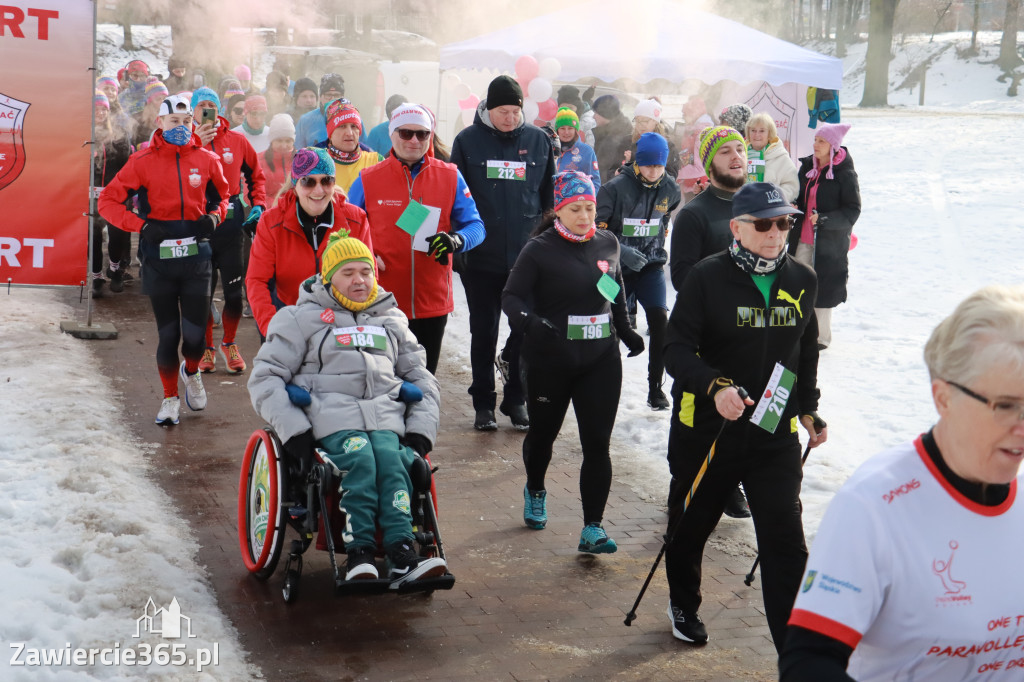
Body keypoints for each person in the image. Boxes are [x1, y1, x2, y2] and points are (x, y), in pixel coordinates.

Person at [780, 285, 1024, 681]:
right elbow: (807, 662)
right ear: (944, 397)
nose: (1021, 426)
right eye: (1006, 406)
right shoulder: (874, 504)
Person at [662, 181, 826, 650]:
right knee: (692, 525)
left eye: (784, 223)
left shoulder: (802, 279)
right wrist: (714, 387)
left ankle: (795, 655)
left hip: (772, 431)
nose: (776, 233)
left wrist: (809, 407)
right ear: (737, 227)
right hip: (710, 429)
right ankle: (684, 603)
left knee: (785, 541)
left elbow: (805, 349)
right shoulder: (707, 277)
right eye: (764, 224)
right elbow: (675, 349)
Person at [248, 233, 447, 586]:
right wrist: (295, 432)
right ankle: (360, 553)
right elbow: (265, 379)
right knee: (362, 460)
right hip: (331, 419)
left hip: (386, 418)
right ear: (328, 278)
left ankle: (402, 551)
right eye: (348, 272)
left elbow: (423, 379)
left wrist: (419, 433)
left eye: (366, 271)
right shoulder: (298, 319)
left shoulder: (391, 319)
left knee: (393, 460)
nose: (359, 280)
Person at [502, 171, 645, 552]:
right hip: (551, 359)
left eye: (590, 208)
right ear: (559, 211)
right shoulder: (539, 250)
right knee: (543, 435)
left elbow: (614, 289)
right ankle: (535, 488)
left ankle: (593, 528)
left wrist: (626, 328)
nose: (585, 216)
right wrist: (531, 324)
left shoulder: (607, 242)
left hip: (600, 359)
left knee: (597, 444)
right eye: (575, 208)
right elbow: (511, 298)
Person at [98, 95, 230, 425]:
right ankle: (170, 398)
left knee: (197, 337)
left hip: (196, 259)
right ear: (160, 123)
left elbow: (224, 199)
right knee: (169, 335)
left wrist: (213, 219)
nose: (181, 128)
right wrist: (141, 226)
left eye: (186, 123)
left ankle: (191, 371)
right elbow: (108, 202)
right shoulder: (142, 161)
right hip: (159, 260)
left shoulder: (208, 159)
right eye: (174, 122)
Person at [450, 75, 556, 431]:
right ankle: (484, 403)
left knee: (525, 330)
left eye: (515, 111)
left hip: (526, 258)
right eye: (502, 111)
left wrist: (549, 243)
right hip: (482, 256)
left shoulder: (539, 141)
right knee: (484, 331)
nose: (510, 118)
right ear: (487, 109)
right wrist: (458, 243)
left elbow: (547, 200)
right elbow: (455, 197)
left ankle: (516, 397)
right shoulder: (467, 142)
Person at [347, 103, 485, 374]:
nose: (414, 140)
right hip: (381, 301)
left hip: (431, 302)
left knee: (423, 380)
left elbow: (476, 226)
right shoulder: (367, 179)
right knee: (383, 379)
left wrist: (457, 241)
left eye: (422, 134)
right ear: (392, 134)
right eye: (406, 133)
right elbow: (345, 231)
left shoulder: (450, 175)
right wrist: (363, 255)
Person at [670, 125, 752, 518]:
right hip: (705, 339)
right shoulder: (695, 214)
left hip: (751, 334)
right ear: (708, 160)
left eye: (740, 149)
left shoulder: (759, 210)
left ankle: (732, 481)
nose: (736, 156)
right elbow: (681, 278)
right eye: (725, 152)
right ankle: (684, 487)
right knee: (696, 418)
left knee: (743, 406)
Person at [247, 147, 374, 339]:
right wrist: (272, 328)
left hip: (341, 318)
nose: (319, 190)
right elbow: (257, 280)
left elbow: (370, 276)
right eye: (308, 182)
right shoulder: (271, 222)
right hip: (289, 314)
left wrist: (360, 324)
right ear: (295, 185)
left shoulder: (356, 219)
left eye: (326, 180)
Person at [597, 133, 681, 410]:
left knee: (660, 320)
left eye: (659, 166)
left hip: (650, 266)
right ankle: (599, 384)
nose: (654, 172)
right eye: (648, 166)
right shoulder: (614, 189)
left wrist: (653, 249)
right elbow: (597, 233)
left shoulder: (671, 189)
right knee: (606, 324)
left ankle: (655, 388)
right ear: (636, 162)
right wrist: (622, 251)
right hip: (613, 271)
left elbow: (664, 218)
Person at [189, 87, 268, 374]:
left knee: (235, 293)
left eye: (212, 105)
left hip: (231, 223)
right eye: (202, 106)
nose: (207, 110)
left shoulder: (236, 140)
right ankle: (208, 348)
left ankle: (229, 343)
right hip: (200, 223)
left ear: (219, 108)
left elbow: (256, 176)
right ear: (194, 112)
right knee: (204, 295)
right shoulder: (185, 141)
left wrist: (257, 204)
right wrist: (196, 141)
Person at [789, 121, 860, 351]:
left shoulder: (845, 174)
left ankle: (820, 337)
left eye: (822, 141)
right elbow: (801, 197)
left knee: (823, 287)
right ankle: (795, 329)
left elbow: (852, 210)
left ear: (834, 146)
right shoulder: (808, 166)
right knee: (796, 282)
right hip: (802, 238)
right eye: (815, 140)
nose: (815, 145)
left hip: (829, 244)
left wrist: (825, 220)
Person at [90, 91, 134, 297]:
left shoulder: (119, 135)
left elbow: (127, 167)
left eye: (103, 109)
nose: (100, 113)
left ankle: (115, 270)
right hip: (90, 197)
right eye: (96, 109)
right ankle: (96, 276)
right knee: (94, 237)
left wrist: (127, 192)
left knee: (117, 236)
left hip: (115, 196)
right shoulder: (84, 136)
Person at [314, 100, 382, 192]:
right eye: (342, 126)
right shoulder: (315, 162)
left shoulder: (376, 161)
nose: (349, 133)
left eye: (354, 126)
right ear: (330, 133)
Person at [745, 112, 799, 203]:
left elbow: (792, 187)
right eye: (753, 130)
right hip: (742, 210)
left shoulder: (781, 157)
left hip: (771, 212)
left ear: (769, 133)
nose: (757, 134)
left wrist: (771, 199)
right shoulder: (740, 155)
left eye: (762, 131)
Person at [624, 99, 680, 180]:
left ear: (655, 122)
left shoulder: (667, 146)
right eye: (637, 121)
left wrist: (636, 160)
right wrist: (617, 173)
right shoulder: (627, 141)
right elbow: (611, 169)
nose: (640, 125)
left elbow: (671, 176)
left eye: (645, 121)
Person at [553, 107, 601, 190]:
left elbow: (595, 182)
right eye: (562, 128)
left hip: (577, 201)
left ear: (576, 130)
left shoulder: (586, 151)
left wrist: (588, 201)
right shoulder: (549, 150)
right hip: (552, 201)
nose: (566, 132)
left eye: (570, 128)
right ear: (557, 130)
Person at [677, 96, 714, 198]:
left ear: (693, 113)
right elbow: (688, 154)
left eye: (685, 114)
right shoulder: (692, 129)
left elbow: (700, 168)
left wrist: (676, 174)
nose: (683, 118)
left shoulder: (702, 132)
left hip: (700, 186)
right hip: (691, 185)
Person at [295, 73, 346, 149]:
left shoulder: (352, 119)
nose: (332, 99)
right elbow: (297, 152)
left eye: (336, 95)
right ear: (320, 97)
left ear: (342, 97)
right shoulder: (305, 120)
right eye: (328, 95)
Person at [590, 94, 632, 184]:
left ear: (604, 114)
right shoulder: (606, 133)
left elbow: (611, 169)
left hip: (610, 190)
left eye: (596, 113)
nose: (594, 116)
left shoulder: (619, 137)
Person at [259, 113, 296, 200]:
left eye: (288, 141)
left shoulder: (303, 159)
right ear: (271, 140)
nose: (284, 145)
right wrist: (278, 207)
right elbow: (252, 192)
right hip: (267, 211)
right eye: (279, 141)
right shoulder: (258, 161)